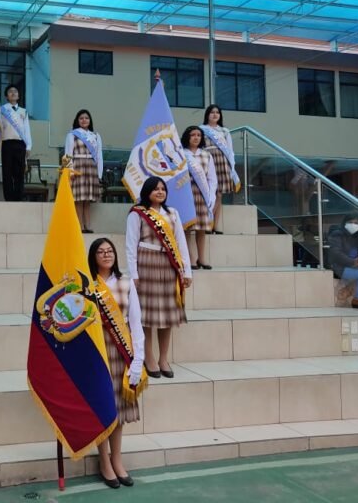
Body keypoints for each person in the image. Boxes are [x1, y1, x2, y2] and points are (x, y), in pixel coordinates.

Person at [88, 238, 144, 490]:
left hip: (122, 352)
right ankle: (104, 462)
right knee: (102, 407)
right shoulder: (88, 286)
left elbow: (136, 323)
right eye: (101, 252)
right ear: (93, 257)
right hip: (98, 353)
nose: (106, 255)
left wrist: (138, 358)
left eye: (110, 251)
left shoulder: (126, 282)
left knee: (118, 410)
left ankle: (117, 460)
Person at [125, 176, 192, 378]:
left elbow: (181, 242)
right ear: (147, 192)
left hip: (170, 266)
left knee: (168, 316)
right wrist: (133, 274)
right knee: (147, 315)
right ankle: (149, 356)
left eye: (163, 188)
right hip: (147, 265)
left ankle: (164, 357)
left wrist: (186, 270)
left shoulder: (173, 213)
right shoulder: (137, 214)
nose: (160, 192)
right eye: (155, 189)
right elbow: (130, 246)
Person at [181, 126, 218, 270]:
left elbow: (212, 178)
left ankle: (202, 259)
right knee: (187, 228)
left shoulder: (207, 155)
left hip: (202, 195)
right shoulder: (181, 154)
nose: (196, 137)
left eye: (198, 135)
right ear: (187, 137)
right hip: (186, 195)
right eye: (192, 135)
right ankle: (190, 260)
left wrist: (211, 196)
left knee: (201, 229)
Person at [200, 104, 239, 234]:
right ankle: (208, 223)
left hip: (222, 163)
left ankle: (214, 225)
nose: (215, 114)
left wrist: (231, 167)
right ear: (207, 115)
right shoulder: (201, 129)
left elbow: (230, 150)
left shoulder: (225, 131)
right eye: (212, 112)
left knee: (219, 195)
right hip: (208, 161)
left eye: (217, 112)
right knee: (209, 193)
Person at [327, 214, 358, 310]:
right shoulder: (337, 234)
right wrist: (354, 262)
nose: (353, 225)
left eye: (356, 223)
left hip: (355, 266)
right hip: (340, 268)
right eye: (350, 222)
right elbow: (335, 254)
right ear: (344, 224)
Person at [65, 109, 103, 233]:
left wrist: (99, 173)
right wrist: (69, 171)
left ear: (90, 120)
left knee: (88, 199)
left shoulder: (95, 136)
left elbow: (99, 155)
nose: (84, 120)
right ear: (77, 120)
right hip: (78, 166)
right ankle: (79, 225)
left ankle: (88, 225)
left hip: (91, 168)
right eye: (81, 118)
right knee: (79, 198)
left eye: (86, 118)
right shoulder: (72, 134)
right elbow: (68, 154)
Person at [0, 85, 32, 201]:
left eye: (15, 91)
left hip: (20, 144)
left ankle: (18, 198)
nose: (13, 93)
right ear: (6, 96)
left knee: (19, 173)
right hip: (7, 143)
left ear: (18, 95)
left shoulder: (23, 111)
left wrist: (29, 146)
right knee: (7, 172)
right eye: (10, 91)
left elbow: (26, 129)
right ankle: (8, 198)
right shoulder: (2, 110)